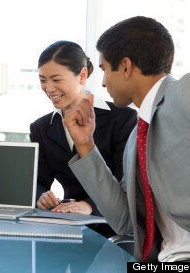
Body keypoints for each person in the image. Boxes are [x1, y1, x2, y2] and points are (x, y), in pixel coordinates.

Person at [64, 16, 190, 261]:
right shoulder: (135, 140)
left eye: (105, 69)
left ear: (125, 67)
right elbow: (125, 221)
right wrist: (85, 145)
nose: (103, 82)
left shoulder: (188, 90)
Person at [30, 41, 136, 236]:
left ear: (82, 75)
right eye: (43, 80)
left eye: (56, 79)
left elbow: (126, 184)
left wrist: (88, 205)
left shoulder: (122, 119)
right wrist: (41, 196)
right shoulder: (41, 128)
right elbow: (36, 181)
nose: (49, 88)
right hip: (66, 224)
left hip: (114, 227)